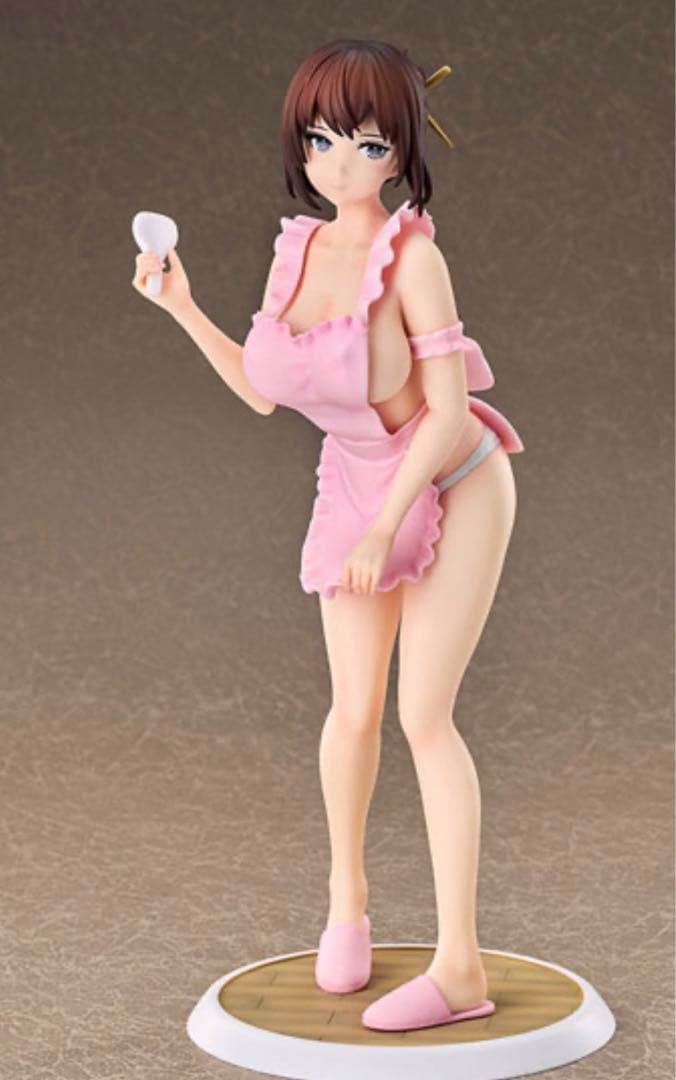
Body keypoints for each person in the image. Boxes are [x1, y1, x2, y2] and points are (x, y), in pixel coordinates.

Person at [132, 37, 524, 1033]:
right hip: (352, 482)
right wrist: (182, 307)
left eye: (364, 142)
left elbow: (444, 412)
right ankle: (346, 904)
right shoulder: (296, 251)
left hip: (453, 479)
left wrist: (386, 527)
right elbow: (266, 392)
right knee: (350, 711)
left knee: (423, 717)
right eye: (319, 138)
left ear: (400, 150)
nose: (338, 162)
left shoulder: (415, 258)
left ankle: (461, 968)